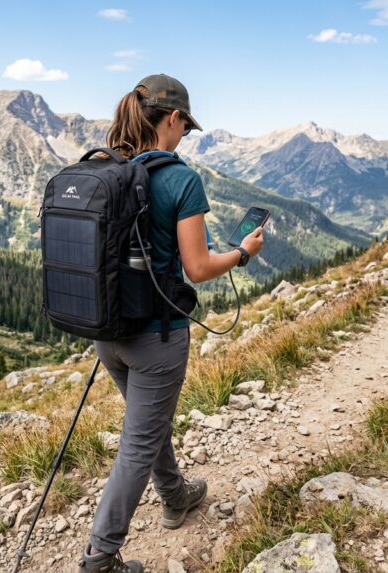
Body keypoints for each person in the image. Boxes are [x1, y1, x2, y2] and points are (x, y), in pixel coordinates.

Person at [78, 73, 264, 573]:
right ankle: (100, 556)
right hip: (157, 337)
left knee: (148, 420)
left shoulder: (109, 169)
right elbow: (198, 268)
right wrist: (243, 253)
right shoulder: (181, 179)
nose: (185, 135)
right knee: (138, 442)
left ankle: (175, 495)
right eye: (186, 126)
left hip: (107, 334)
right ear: (174, 118)